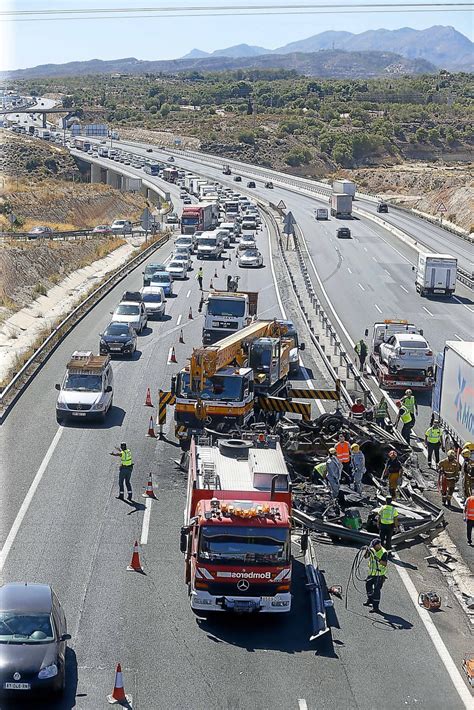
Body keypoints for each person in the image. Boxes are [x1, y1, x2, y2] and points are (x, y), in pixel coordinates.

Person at [363, 538, 388, 613]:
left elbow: (385, 563)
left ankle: (375, 607)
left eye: (374, 546)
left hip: (379, 575)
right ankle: (370, 600)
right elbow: (365, 557)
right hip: (371, 573)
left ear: (379, 545)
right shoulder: (372, 549)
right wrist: (367, 550)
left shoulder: (384, 552)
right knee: (368, 586)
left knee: (376, 591)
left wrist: (378, 560)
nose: (373, 547)